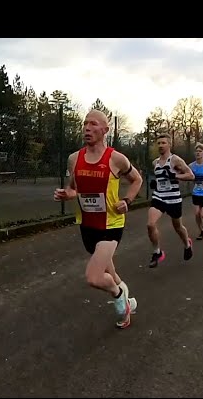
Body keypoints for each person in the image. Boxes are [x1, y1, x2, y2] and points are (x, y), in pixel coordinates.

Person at [53, 110, 143, 329]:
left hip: (111, 224)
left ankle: (119, 295)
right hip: (87, 225)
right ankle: (127, 299)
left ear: (105, 129)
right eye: (85, 124)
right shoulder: (74, 159)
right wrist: (67, 194)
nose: (87, 128)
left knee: (94, 277)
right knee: (109, 272)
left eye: (93, 124)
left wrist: (127, 201)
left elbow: (137, 180)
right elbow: (74, 188)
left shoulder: (116, 158)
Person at [147, 133, 195, 268]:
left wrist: (175, 175)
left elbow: (191, 175)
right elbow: (160, 178)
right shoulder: (155, 162)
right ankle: (157, 252)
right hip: (159, 196)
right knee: (150, 224)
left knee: (178, 227)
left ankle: (187, 244)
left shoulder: (175, 160)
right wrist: (156, 183)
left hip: (174, 198)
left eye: (163, 143)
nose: (161, 145)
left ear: (169, 144)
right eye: (159, 143)